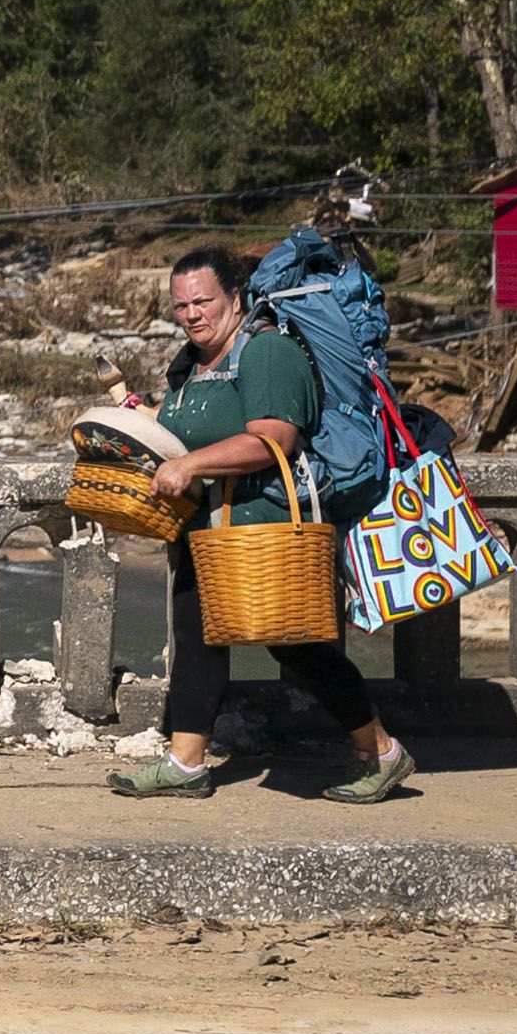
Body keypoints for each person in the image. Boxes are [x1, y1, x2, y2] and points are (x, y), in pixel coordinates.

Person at [109, 244, 410, 800]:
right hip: (209, 526)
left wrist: (188, 465)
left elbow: (272, 439)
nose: (192, 314)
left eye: (204, 302)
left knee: (294, 643)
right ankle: (186, 762)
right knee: (196, 636)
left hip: (262, 526)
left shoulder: (268, 352)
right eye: (181, 306)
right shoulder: (195, 365)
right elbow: (192, 429)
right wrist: (144, 421)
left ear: (236, 297)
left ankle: (381, 750)